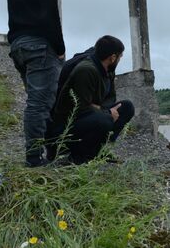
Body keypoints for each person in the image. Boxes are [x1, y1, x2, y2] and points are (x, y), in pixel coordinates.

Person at [7, 0, 72, 167]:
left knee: (39, 102)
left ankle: (49, 153)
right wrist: (60, 47)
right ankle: (34, 159)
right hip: (39, 46)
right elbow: (49, 14)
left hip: (18, 45)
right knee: (40, 104)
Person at [52, 35, 134, 164]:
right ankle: (79, 157)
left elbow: (110, 98)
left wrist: (102, 109)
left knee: (127, 107)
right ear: (112, 58)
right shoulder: (86, 70)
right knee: (105, 119)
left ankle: (98, 150)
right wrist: (106, 112)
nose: (119, 60)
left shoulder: (108, 70)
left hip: (90, 115)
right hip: (66, 125)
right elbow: (80, 108)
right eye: (120, 57)